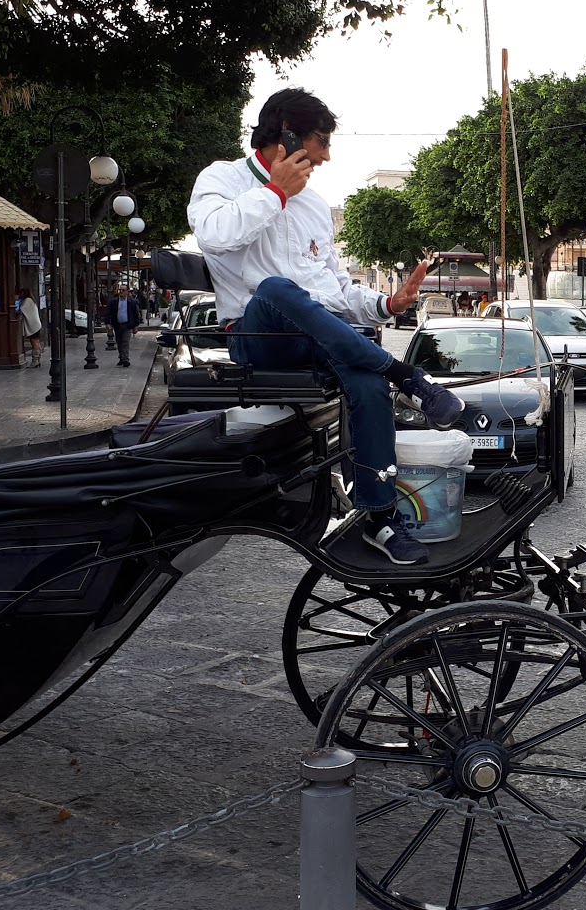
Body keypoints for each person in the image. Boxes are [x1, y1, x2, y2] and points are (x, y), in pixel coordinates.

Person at [188, 87, 462, 566]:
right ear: (287, 135)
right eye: (321, 141)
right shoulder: (223, 179)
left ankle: (379, 518)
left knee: (367, 384)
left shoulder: (315, 206)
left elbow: (333, 288)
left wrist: (387, 301)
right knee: (275, 288)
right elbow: (212, 235)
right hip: (258, 337)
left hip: (321, 334)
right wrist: (274, 193)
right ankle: (408, 377)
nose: (327, 156)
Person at [102, 286, 143, 367]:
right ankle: (121, 357)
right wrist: (107, 323)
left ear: (127, 292)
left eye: (123, 290)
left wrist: (136, 326)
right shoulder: (114, 302)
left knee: (125, 342)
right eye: (120, 290)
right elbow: (108, 313)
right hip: (117, 325)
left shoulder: (132, 302)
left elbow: (136, 314)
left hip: (127, 325)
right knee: (119, 342)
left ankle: (125, 359)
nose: (121, 291)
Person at [16, 288, 44, 368]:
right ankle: (37, 359)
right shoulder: (32, 300)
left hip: (33, 326)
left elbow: (21, 309)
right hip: (36, 324)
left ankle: (35, 361)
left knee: (34, 342)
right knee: (37, 342)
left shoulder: (27, 301)